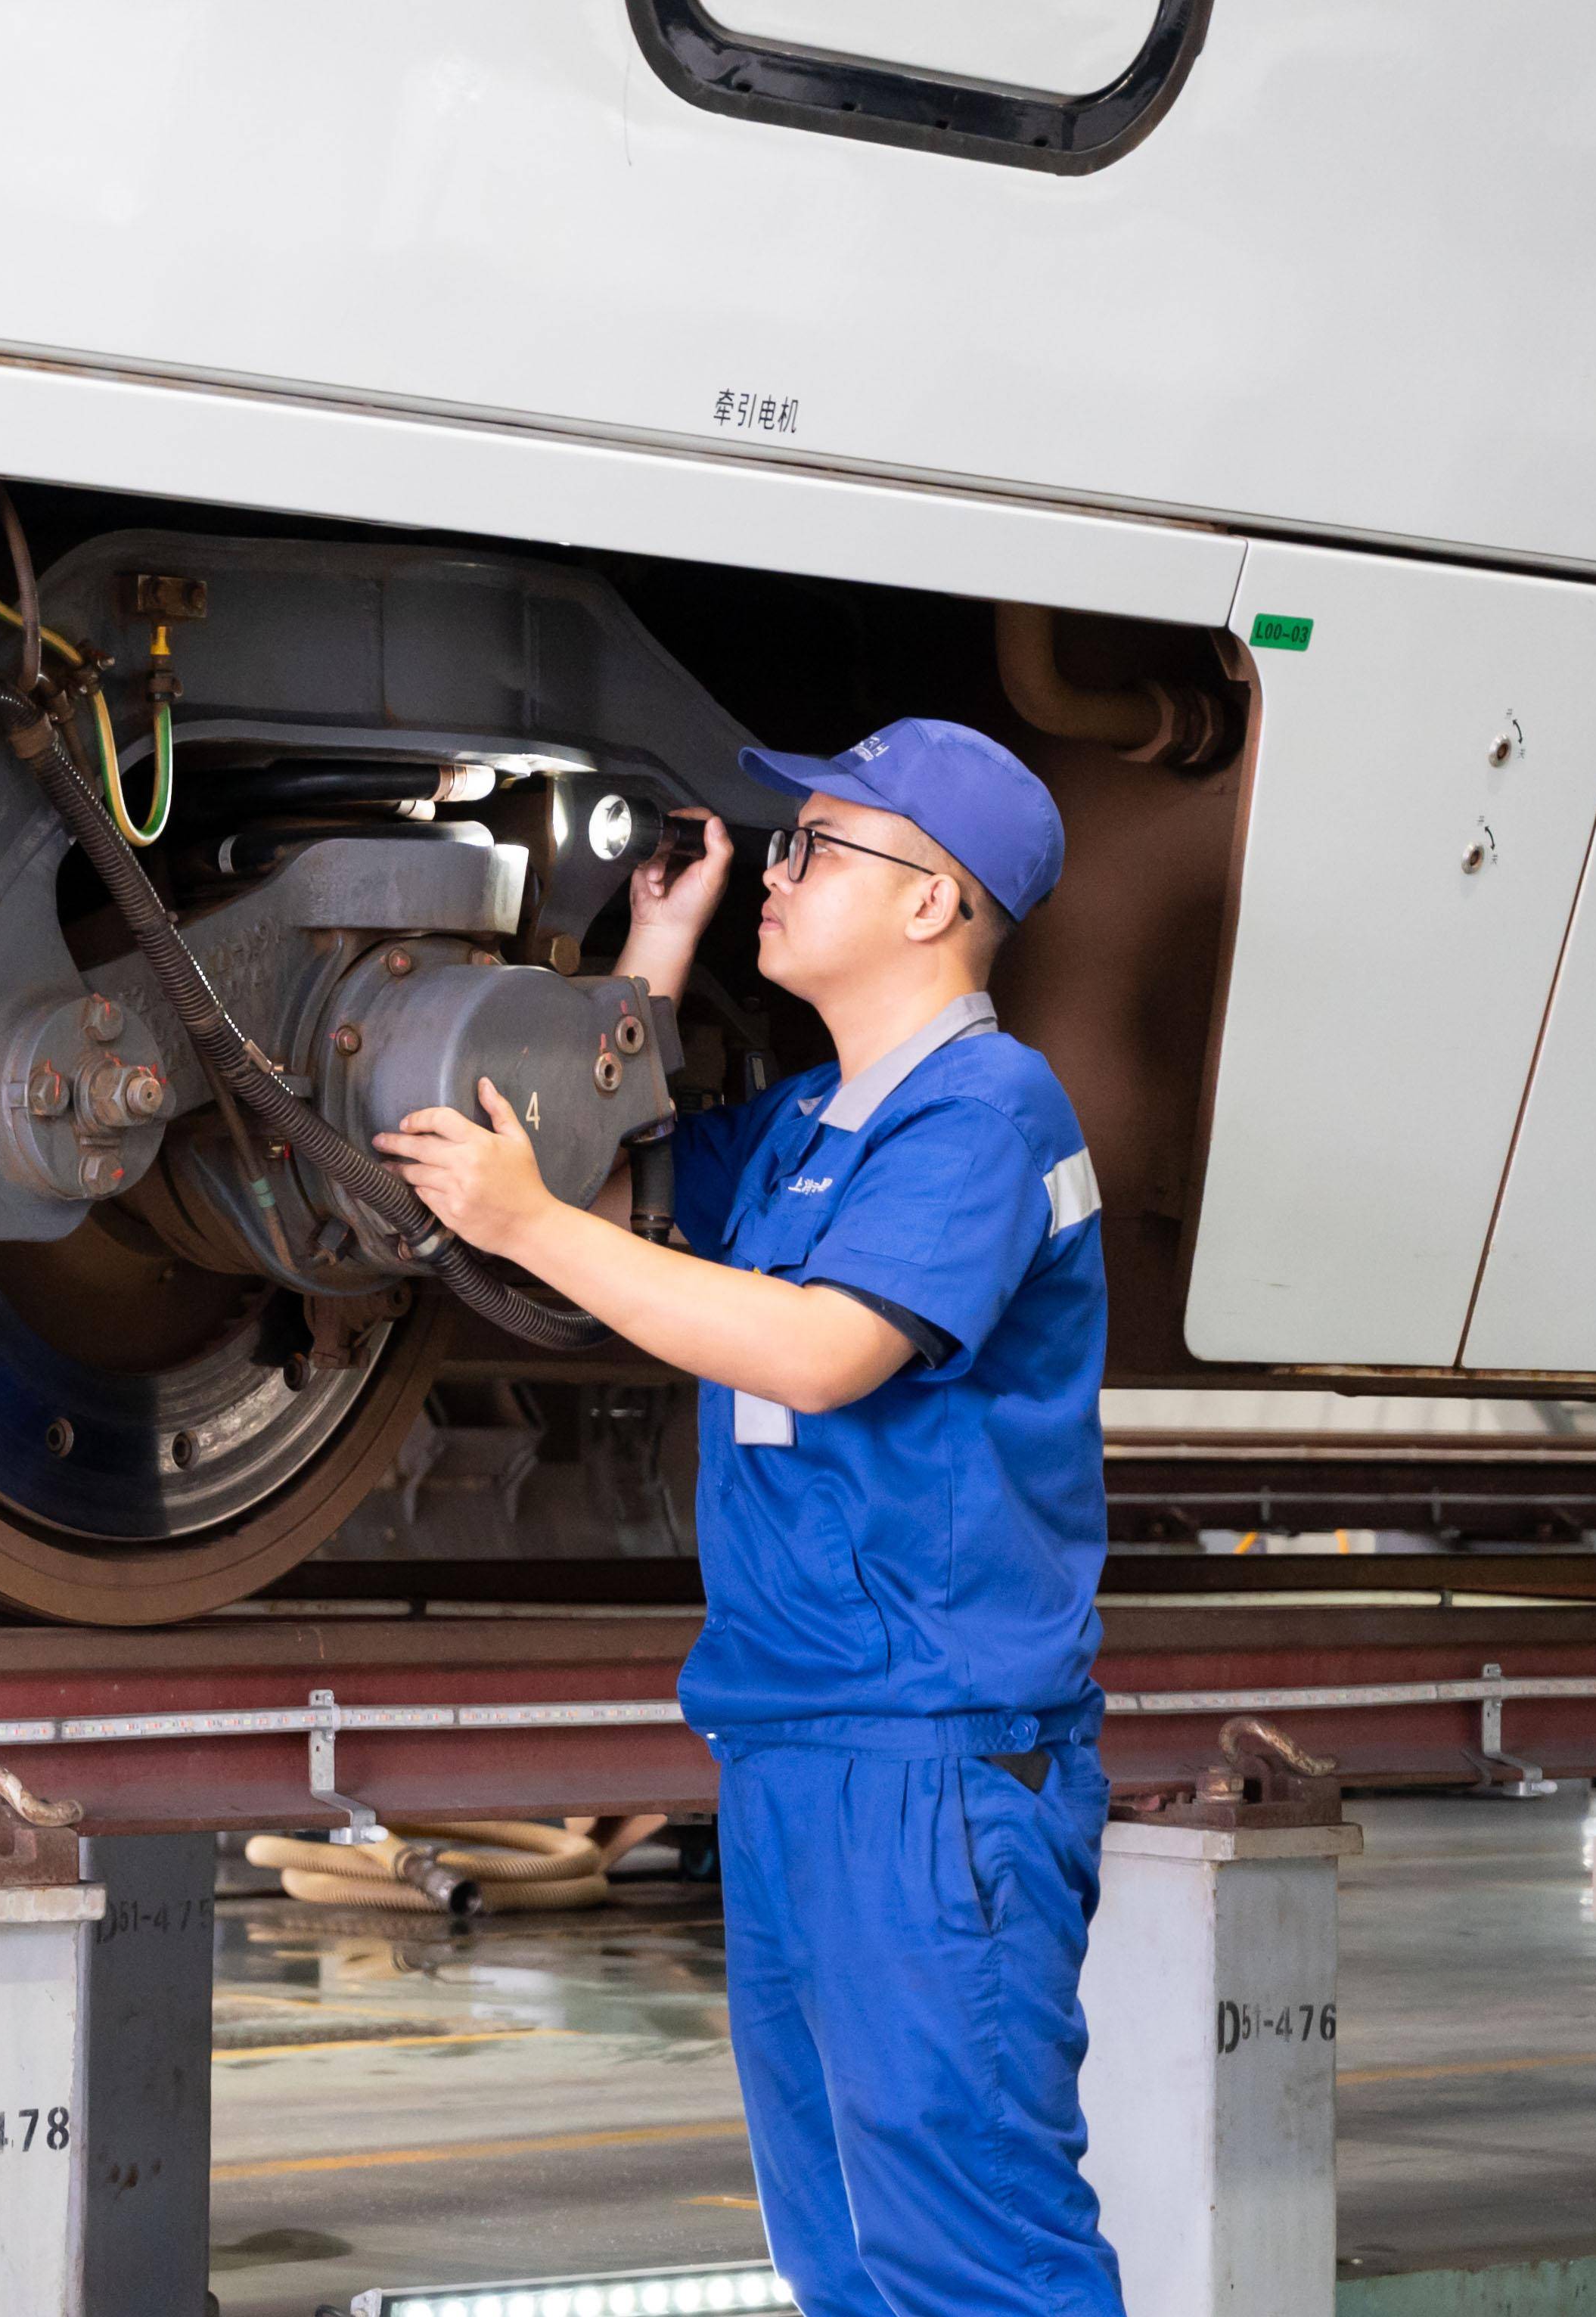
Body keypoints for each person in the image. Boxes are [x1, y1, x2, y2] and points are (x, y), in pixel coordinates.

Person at [374, 718, 1117, 2317]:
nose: (778, 868)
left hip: (934, 1761)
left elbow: (816, 1346)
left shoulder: (984, 1113)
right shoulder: (805, 1128)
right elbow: (619, 1173)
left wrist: (526, 1224)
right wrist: (659, 938)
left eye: (815, 846)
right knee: (845, 2245)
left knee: (975, 2252)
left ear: (935, 901)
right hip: (799, 1741)